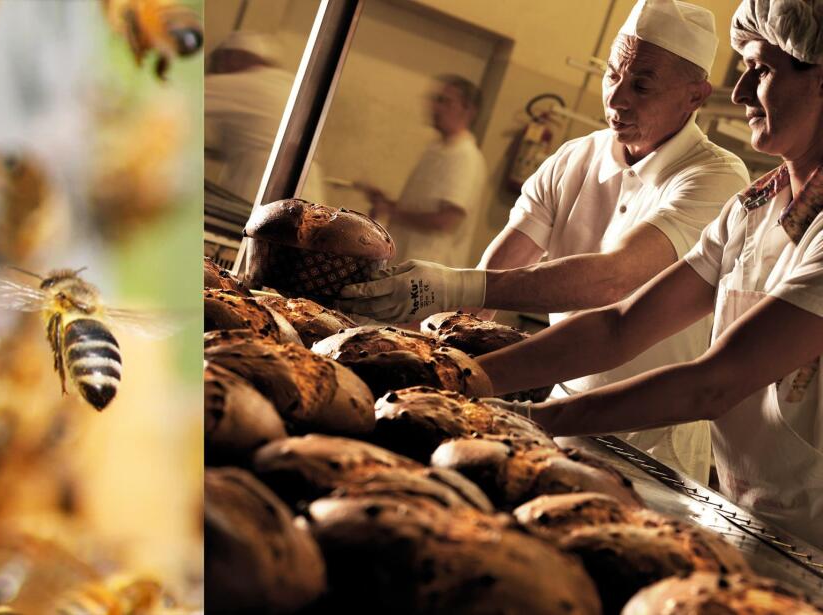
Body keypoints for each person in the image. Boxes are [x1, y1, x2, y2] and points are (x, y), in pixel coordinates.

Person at [336, 0, 752, 483]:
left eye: (641, 85)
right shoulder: (575, 158)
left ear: (695, 96)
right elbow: (504, 262)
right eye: (613, 74)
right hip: (559, 408)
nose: (617, 99)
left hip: (651, 438)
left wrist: (455, 285)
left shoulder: (716, 176)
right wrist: (431, 356)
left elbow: (614, 279)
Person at [471, 0, 823, 548]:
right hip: (748, 514)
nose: (741, 92)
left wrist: (530, 419)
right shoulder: (752, 209)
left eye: (763, 70)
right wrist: (466, 380)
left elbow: (714, 383)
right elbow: (621, 326)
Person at [356, 76, 488, 266]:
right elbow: (423, 208)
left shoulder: (464, 156)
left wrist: (391, 211)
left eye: (444, 101)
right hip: (408, 262)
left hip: (427, 270)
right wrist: (388, 203)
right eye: (435, 99)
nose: (435, 107)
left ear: (468, 110)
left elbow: (445, 221)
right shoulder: (438, 149)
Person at [204, 32, 324, 203]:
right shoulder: (291, 85)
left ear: (234, 58)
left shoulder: (242, 83)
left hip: (262, 182)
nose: (217, 69)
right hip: (307, 190)